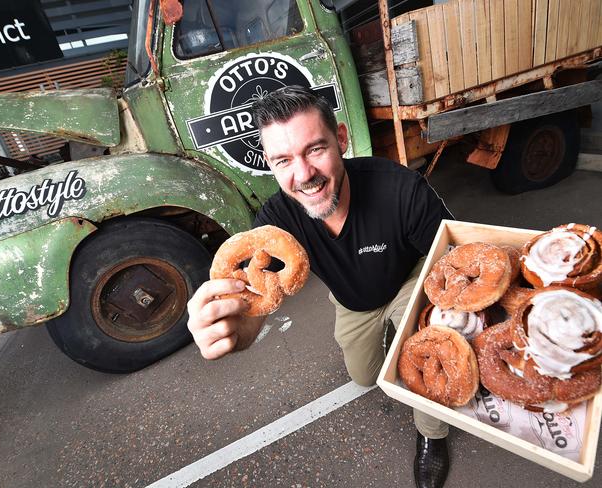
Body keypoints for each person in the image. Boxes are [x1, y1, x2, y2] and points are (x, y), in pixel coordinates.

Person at [187, 85, 454, 488]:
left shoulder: (400, 189)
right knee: (364, 376)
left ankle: (432, 435)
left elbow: (454, 263)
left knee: (429, 348)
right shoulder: (275, 224)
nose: (304, 175)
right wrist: (238, 330)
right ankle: (392, 353)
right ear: (271, 165)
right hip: (352, 300)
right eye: (283, 160)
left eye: (315, 149)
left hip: (408, 281)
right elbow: (256, 298)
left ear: (341, 139)